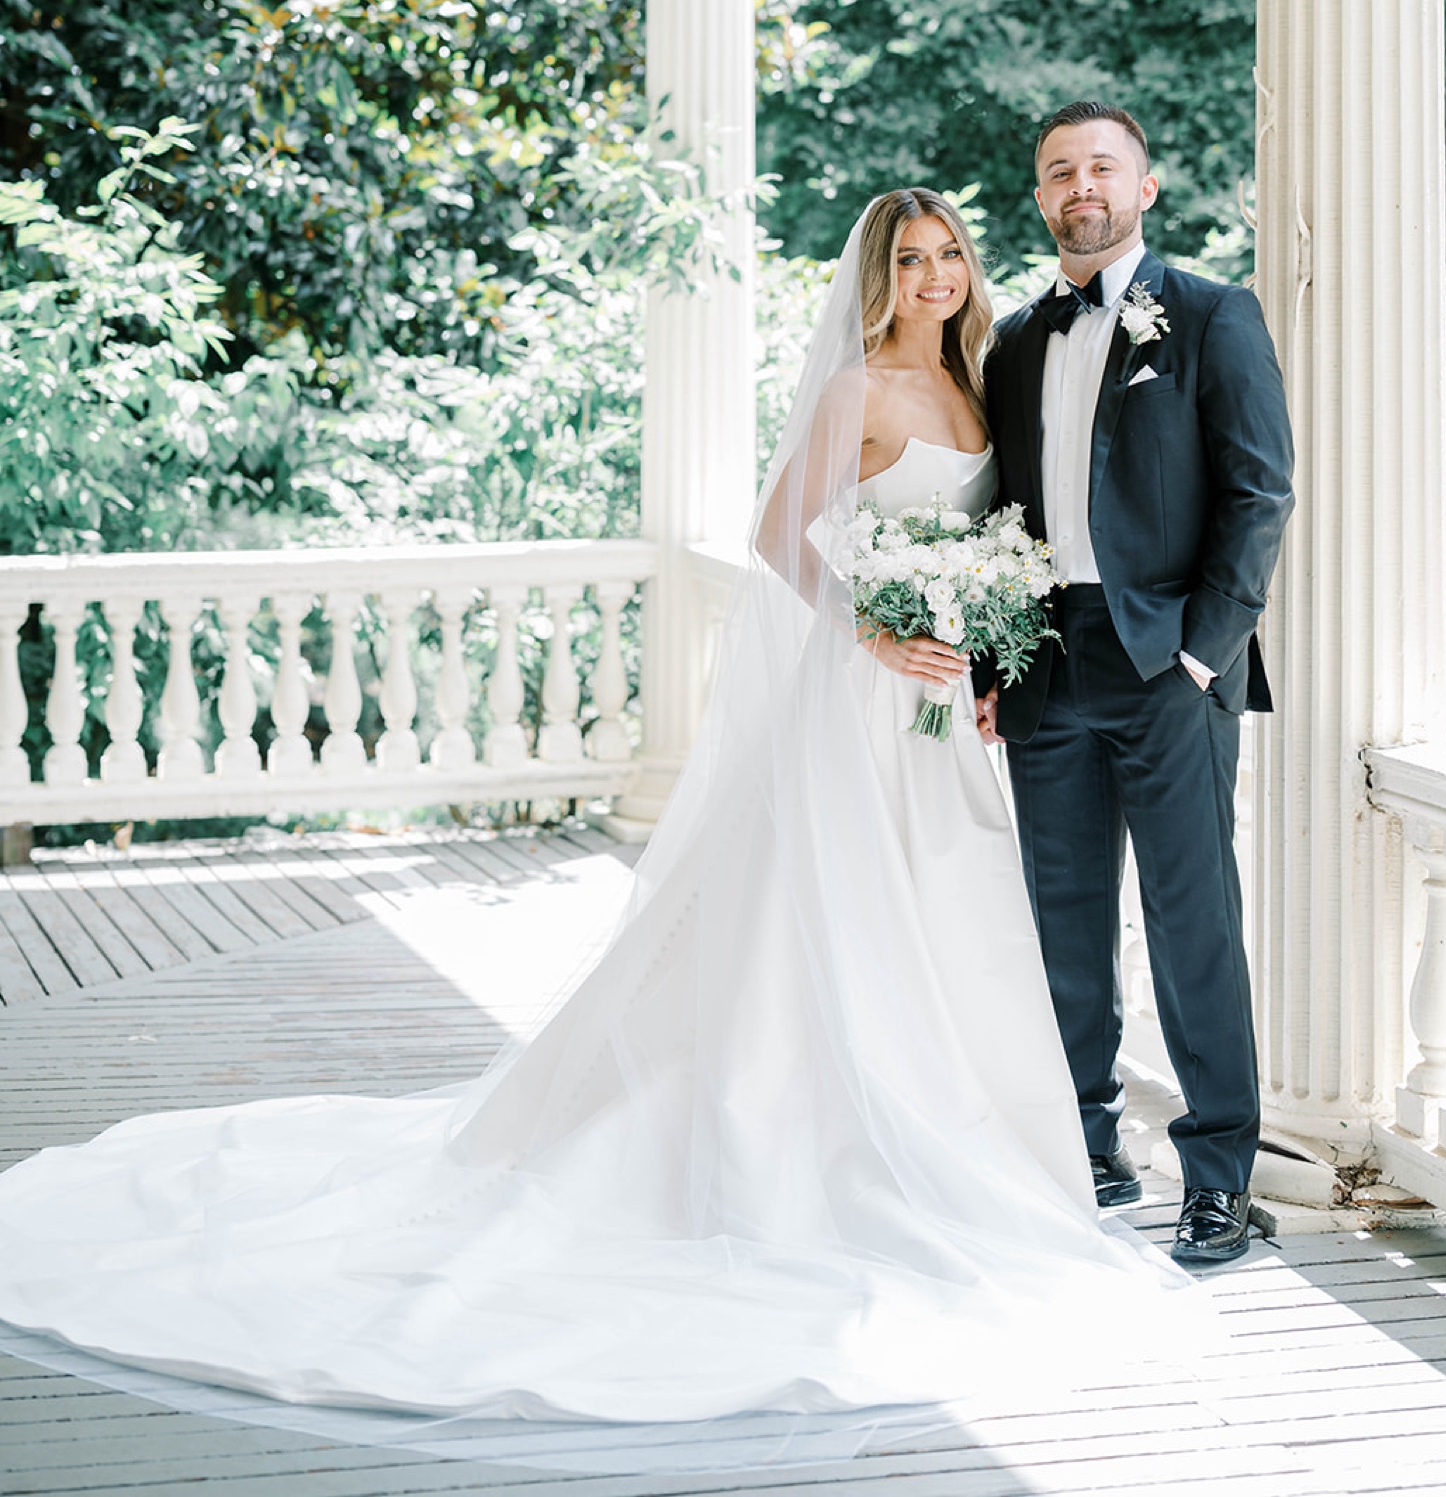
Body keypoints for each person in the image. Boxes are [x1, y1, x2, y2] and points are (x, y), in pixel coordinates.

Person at [0, 189, 1200, 1475]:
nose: (933, 275)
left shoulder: (979, 380)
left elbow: (1008, 537)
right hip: (860, 701)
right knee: (844, 922)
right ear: (876, 277)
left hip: (943, 713)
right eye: (909, 259)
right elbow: (773, 538)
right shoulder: (855, 390)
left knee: (952, 918)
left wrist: (978, 643)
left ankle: (972, 1137)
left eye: (947, 254)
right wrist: (869, 622)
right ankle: (826, 1135)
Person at [977, 103, 1295, 1268]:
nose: (1080, 185)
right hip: (1046, 663)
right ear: (1044, 195)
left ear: (1145, 186)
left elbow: (1260, 494)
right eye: (1059, 171)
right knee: (1061, 925)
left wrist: (1207, 652)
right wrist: (988, 659)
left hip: (1169, 662)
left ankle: (1218, 1176)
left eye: (1101, 166)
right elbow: (999, 516)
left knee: (1191, 922)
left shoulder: (1213, 316)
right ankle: (1086, 1145)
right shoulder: (1013, 340)